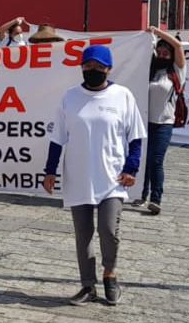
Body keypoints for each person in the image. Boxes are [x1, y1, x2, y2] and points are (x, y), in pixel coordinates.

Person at [41, 45, 144, 305]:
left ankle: (110, 274)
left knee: (108, 230)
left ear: (109, 69)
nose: (93, 70)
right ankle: (88, 285)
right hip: (79, 177)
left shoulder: (122, 96)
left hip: (112, 177)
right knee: (83, 234)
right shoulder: (70, 97)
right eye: (88, 66)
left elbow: (135, 137)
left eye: (99, 66)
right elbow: (57, 138)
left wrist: (131, 168)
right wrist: (50, 171)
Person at [133, 29, 185, 215]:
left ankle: (156, 198)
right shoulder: (151, 70)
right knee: (143, 159)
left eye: (166, 53)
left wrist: (157, 31)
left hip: (164, 123)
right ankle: (141, 194)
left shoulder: (177, 71)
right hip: (144, 121)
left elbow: (178, 46)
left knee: (156, 160)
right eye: (159, 52)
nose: (162, 55)